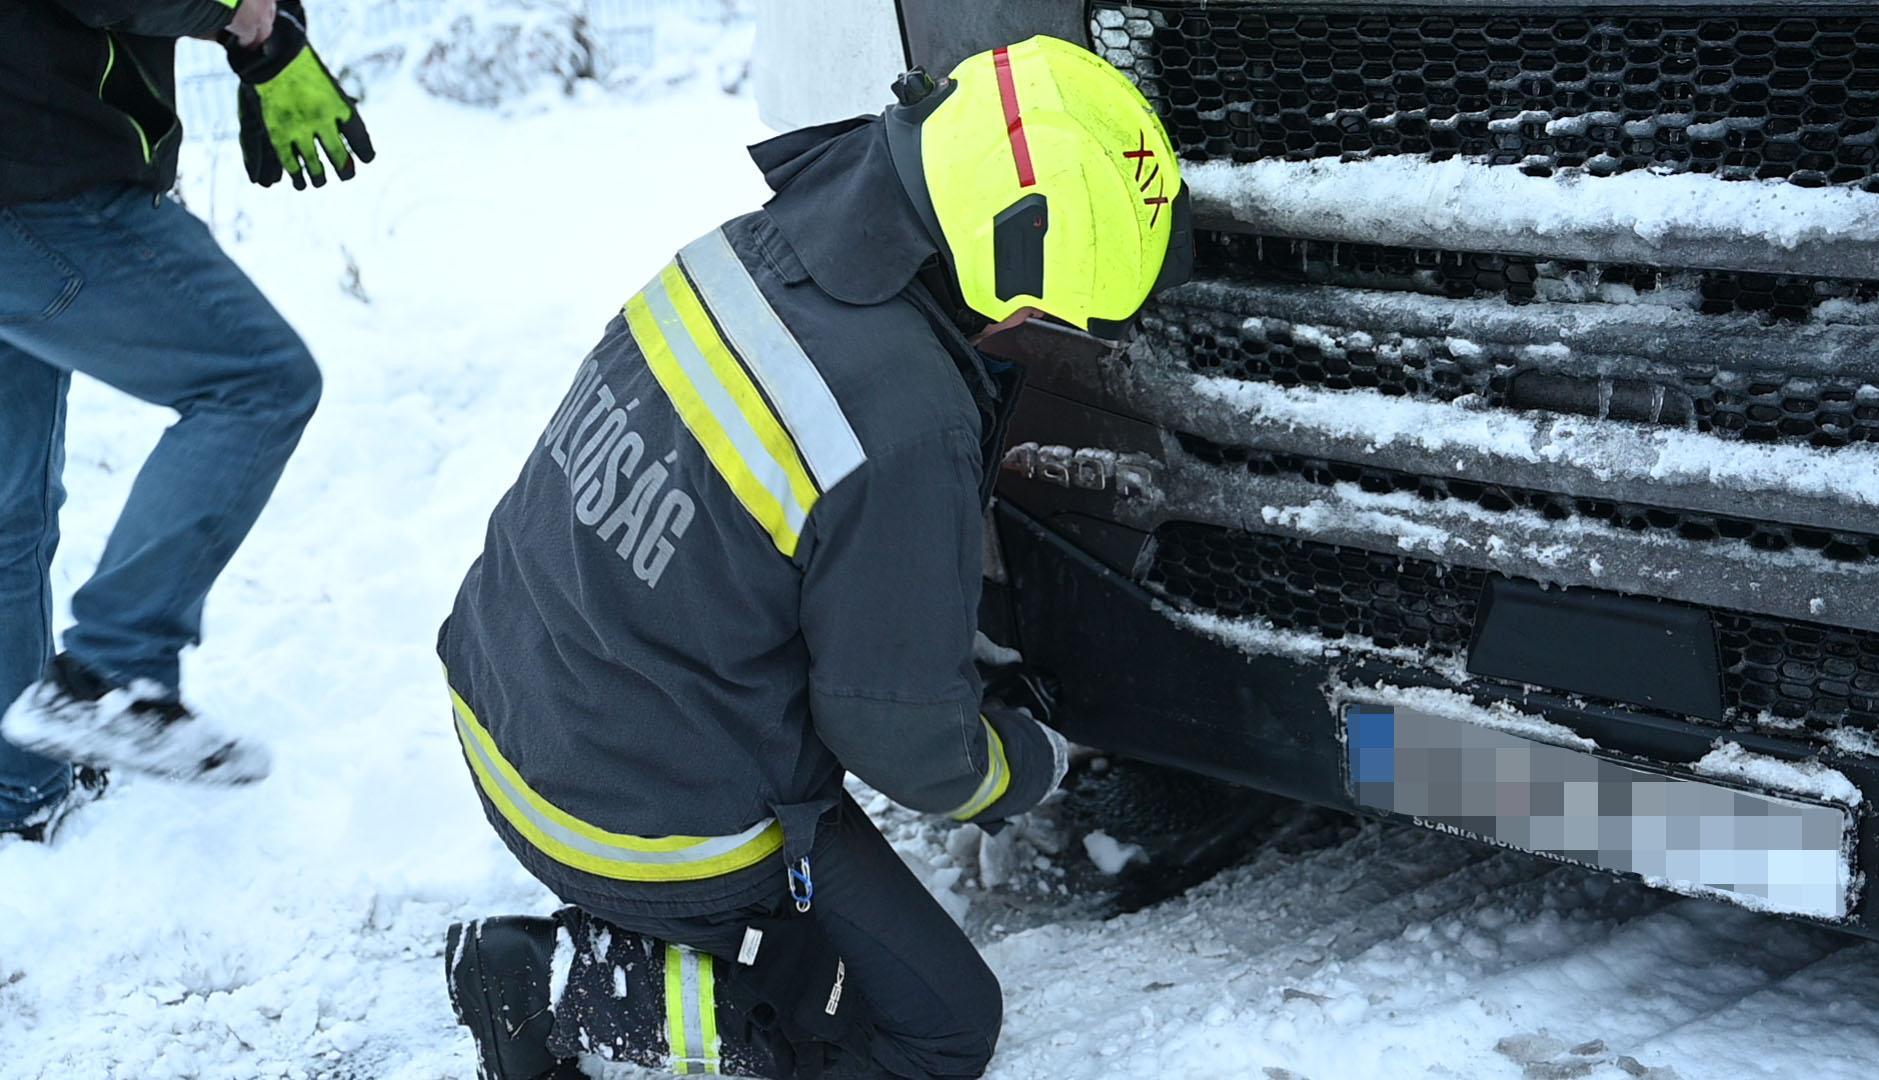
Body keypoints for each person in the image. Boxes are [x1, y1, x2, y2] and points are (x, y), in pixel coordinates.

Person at [437, 35, 1193, 1080]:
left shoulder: (750, 248)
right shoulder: (906, 411)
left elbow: (773, 545)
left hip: (508, 705)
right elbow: (907, 749)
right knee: (936, 1025)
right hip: (639, 818)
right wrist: (1035, 762)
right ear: (1016, 263)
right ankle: (565, 987)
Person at [0, 0, 375, 841]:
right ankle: (113, 674)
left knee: (8, 515)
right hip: (45, 183)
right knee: (258, 382)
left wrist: (265, 26)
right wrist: (241, 21)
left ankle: (19, 792)